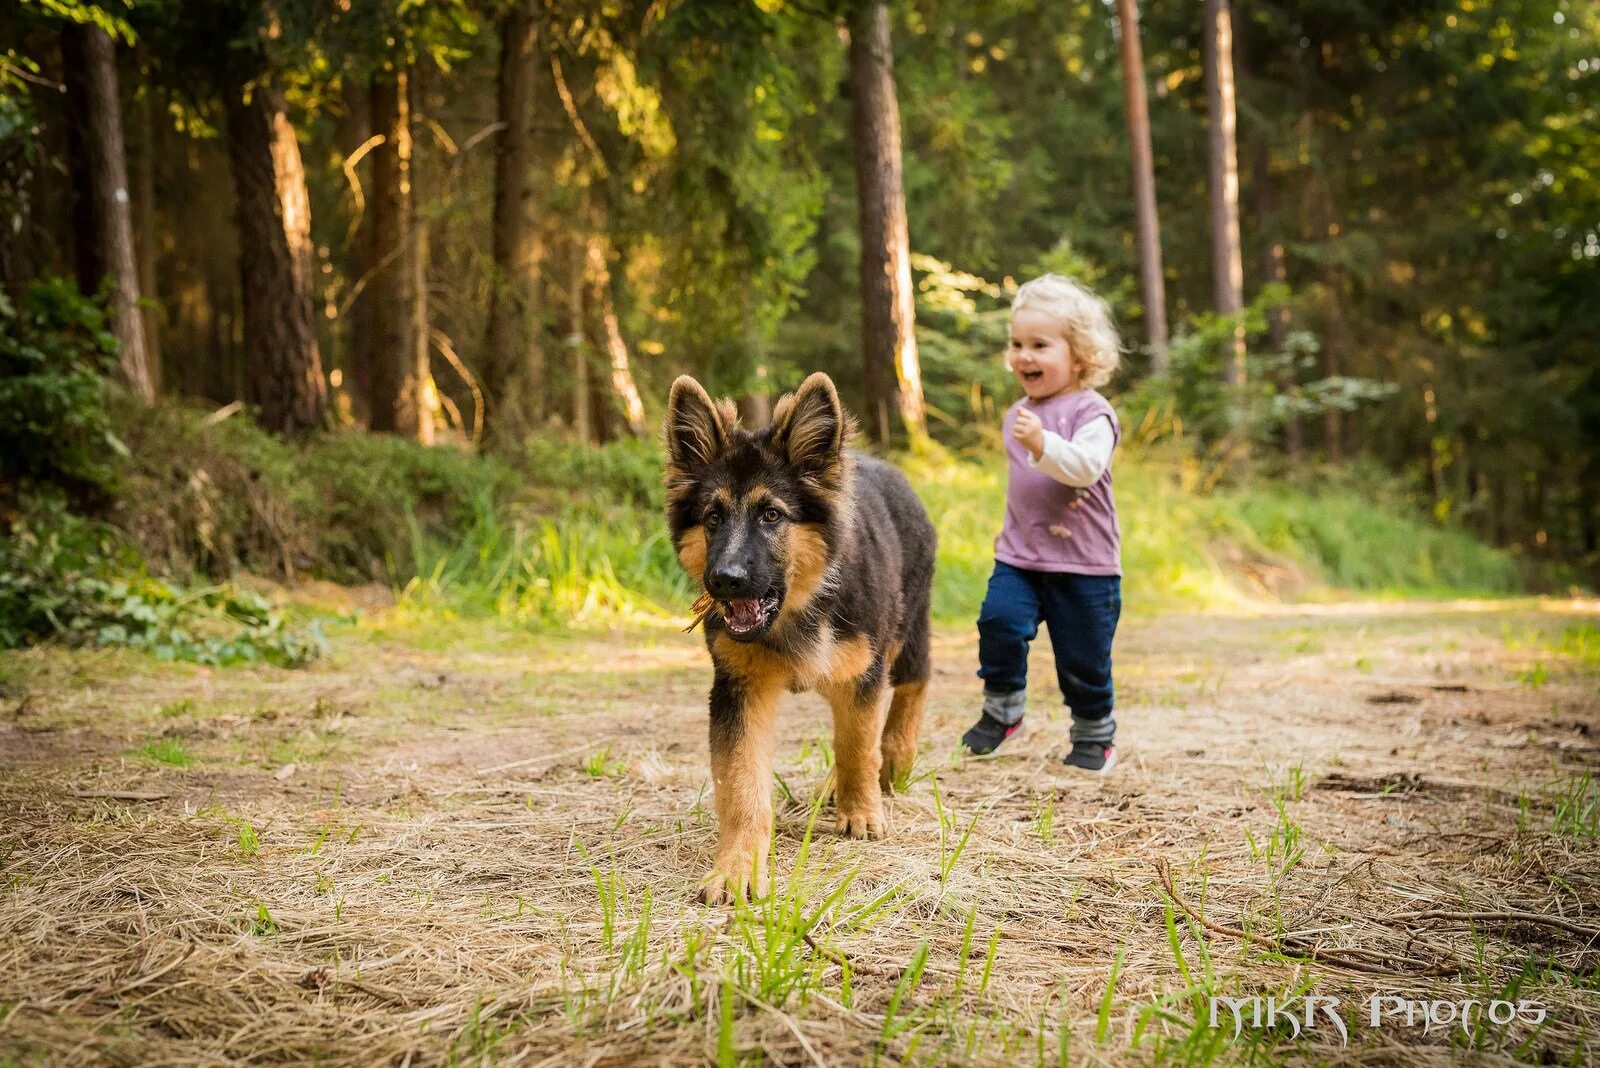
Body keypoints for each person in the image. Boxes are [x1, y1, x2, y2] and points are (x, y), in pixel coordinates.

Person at [962, 274, 1124, 772]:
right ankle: (1003, 708)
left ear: (1079, 355)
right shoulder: (1019, 414)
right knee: (999, 622)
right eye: (1016, 344)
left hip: (1086, 563)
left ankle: (1095, 732)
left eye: (1039, 345)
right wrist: (1010, 528)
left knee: (1083, 659)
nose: (1023, 356)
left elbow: (1085, 468)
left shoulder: (1092, 411)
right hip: (1022, 555)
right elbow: (1024, 485)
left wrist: (1043, 445)